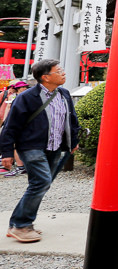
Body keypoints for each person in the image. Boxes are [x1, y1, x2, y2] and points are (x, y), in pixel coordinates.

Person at [1, 59, 80, 243]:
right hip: (31, 146)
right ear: (45, 77)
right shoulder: (27, 97)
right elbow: (10, 126)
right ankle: (21, 225)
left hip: (55, 147)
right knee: (41, 182)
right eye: (58, 70)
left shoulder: (64, 94)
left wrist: (73, 141)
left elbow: (72, 120)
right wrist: (6, 153)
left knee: (41, 184)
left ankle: (20, 223)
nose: (63, 73)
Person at [0, 81, 29, 176]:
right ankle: (19, 166)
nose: (24, 88)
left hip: (24, 123)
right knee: (15, 143)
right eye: (22, 87)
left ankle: (21, 166)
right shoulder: (13, 97)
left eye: (25, 86)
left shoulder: (28, 96)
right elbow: (8, 108)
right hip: (13, 122)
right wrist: (4, 121)